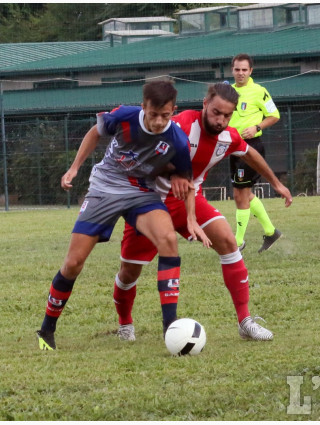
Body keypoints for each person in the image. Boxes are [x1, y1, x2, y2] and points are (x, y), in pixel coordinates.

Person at [36, 80, 211, 351]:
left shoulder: (176, 137)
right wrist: (74, 169)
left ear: (173, 110)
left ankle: (171, 329)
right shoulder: (125, 116)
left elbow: (187, 180)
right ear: (144, 107)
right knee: (73, 263)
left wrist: (190, 218)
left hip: (141, 191)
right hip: (105, 186)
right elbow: (95, 132)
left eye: (165, 115)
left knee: (168, 241)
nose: (158, 122)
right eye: (153, 115)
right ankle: (47, 329)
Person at [113, 83, 293, 343]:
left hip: (190, 199)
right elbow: (148, 151)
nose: (220, 120)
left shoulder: (227, 137)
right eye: (216, 112)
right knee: (129, 272)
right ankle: (125, 323)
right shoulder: (181, 124)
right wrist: (171, 172)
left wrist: (276, 183)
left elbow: (249, 153)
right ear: (205, 103)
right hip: (149, 202)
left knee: (230, 243)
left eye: (227, 116)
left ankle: (245, 321)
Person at [228, 53, 282, 253]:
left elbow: (274, 115)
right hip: (233, 148)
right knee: (244, 193)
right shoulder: (228, 92)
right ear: (232, 70)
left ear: (251, 71)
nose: (240, 73)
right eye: (237, 69)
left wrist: (257, 127)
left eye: (244, 70)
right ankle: (270, 231)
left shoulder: (259, 91)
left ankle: (238, 241)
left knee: (240, 194)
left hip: (250, 147)